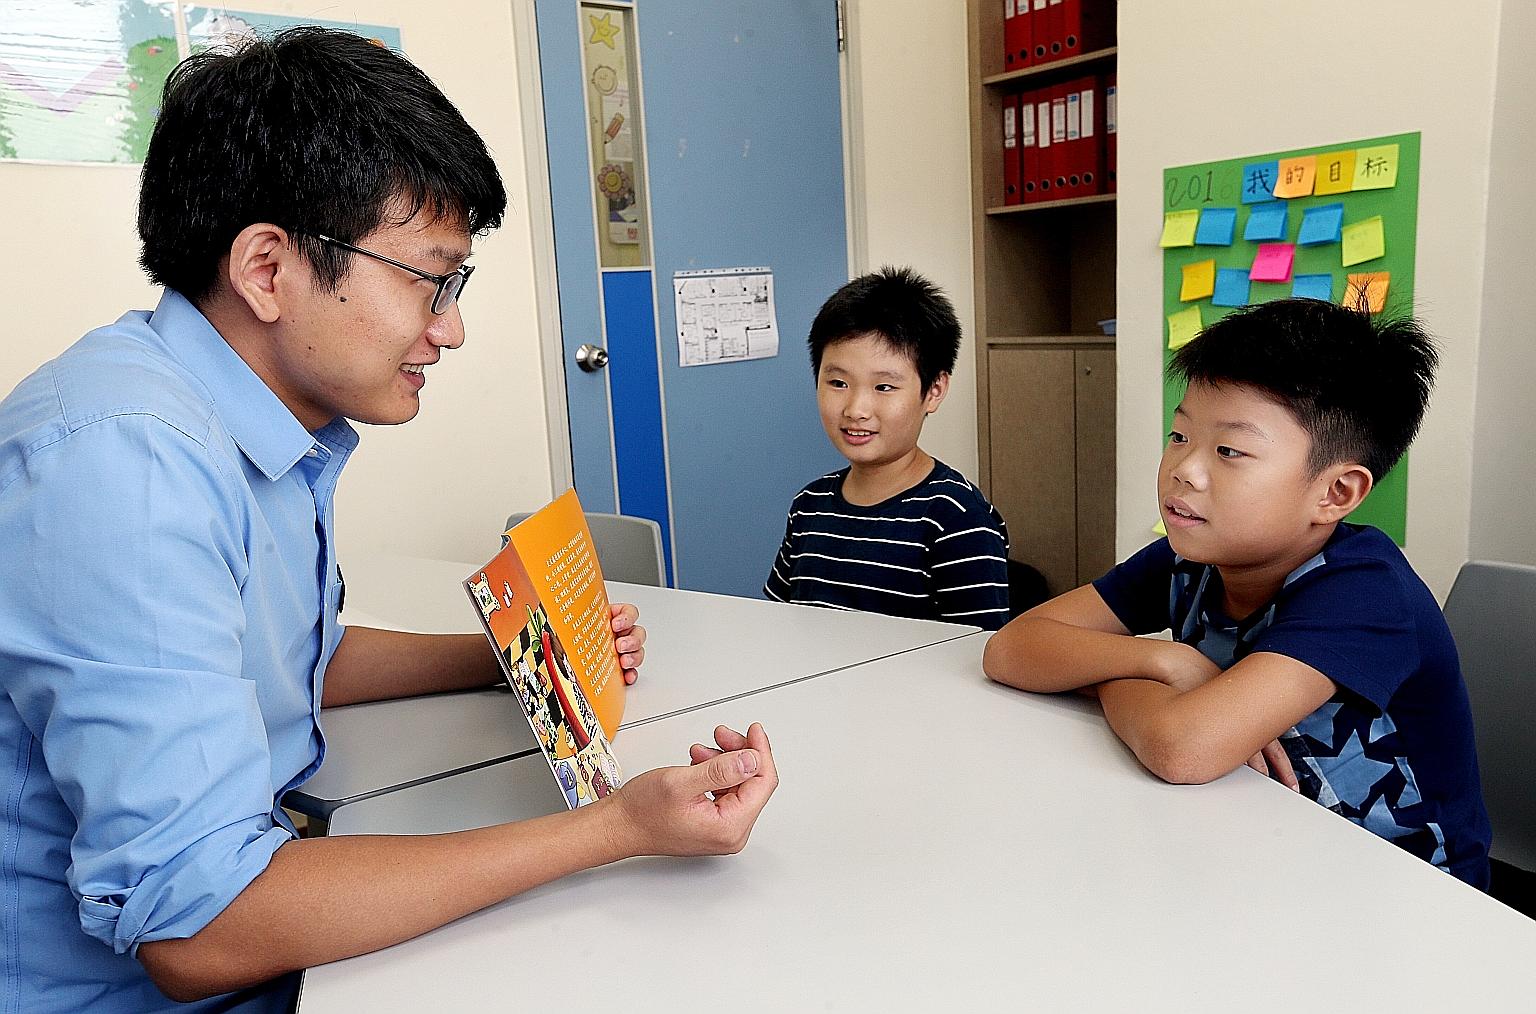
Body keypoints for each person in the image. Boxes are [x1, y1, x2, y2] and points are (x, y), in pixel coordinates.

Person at [0, 28, 776, 1012]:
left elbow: (282, 657)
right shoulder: (127, 467)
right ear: (268, 269)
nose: (449, 327)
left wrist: (496, 663)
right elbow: (199, 926)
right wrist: (615, 829)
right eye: (428, 278)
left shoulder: (239, 416)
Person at [983, 298, 1490, 888]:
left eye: (1229, 452)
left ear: (1337, 492)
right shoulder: (1190, 557)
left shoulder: (1367, 593)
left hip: (1405, 893)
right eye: (1179, 435)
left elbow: (1183, 749)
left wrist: (1106, 677)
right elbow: (1013, 648)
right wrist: (1163, 660)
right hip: (1255, 846)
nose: (1184, 470)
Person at [764, 267, 1010, 630]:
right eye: (837, 382)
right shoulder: (808, 506)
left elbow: (982, 652)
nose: (856, 409)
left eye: (884, 388)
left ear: (934, 391)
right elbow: (777, 623)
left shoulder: (957, 517)